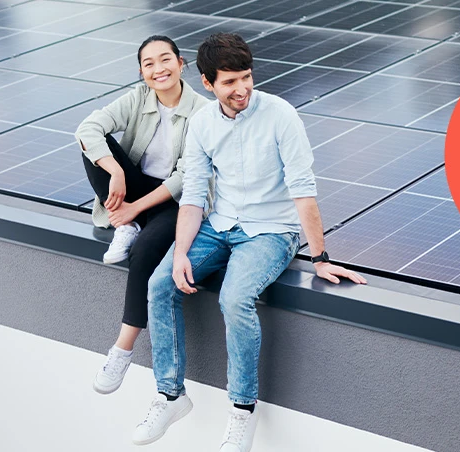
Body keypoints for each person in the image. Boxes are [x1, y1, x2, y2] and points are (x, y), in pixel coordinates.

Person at [131, 33, 367, 451]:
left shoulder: (281, 116)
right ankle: (170, 394)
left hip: (271, 230)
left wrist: (320, 257)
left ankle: (242, 410)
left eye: (246, 77)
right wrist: (181, 253)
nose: (241, 89)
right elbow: (194, 194)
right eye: (229, 82)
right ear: (207, 83)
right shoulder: (203, 124)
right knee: (160, 283)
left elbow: (303, 190)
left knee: (235, 298)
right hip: (219, 225)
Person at [76, 35, 209, 395]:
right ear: (141, 72)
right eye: (148, 64)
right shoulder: (138, 97)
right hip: (134, 187)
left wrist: (135, 206)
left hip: (174, 200)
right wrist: (116, 172)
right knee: (93, 147)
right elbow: (87, 129)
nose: (158, 69)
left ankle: (122, 349)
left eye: (165, 59)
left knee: (144, 251)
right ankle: (130, 224)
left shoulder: (202, 112)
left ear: (181, 64)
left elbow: (186, 176)